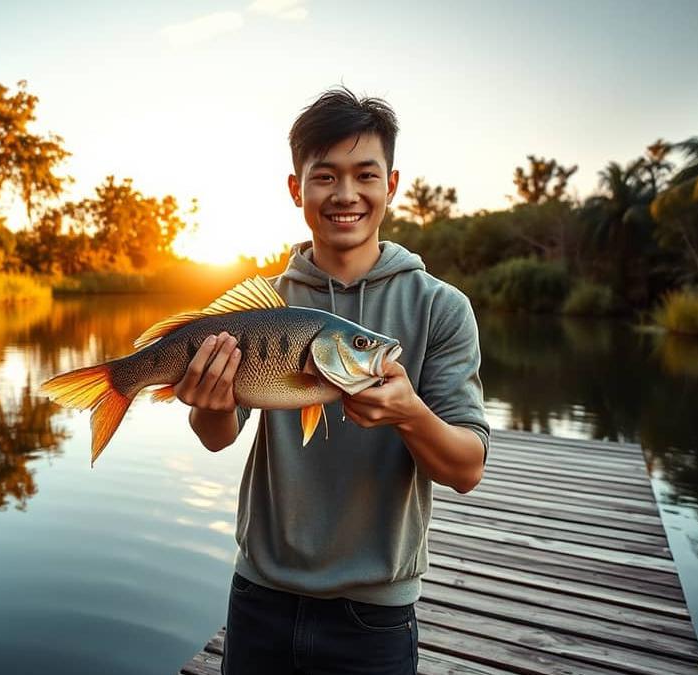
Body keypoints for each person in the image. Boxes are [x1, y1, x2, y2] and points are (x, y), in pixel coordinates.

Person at [173, 87, 490, 675]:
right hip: (260, 596)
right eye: (325, 177)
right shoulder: (263, 305)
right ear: (297, 188)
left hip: (375, 615)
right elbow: (216, 436)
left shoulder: (441, 308)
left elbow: (466, 470)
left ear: (391, 185)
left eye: (365, 174)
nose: (346, 194)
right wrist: (208, 402)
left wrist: (410, 414)